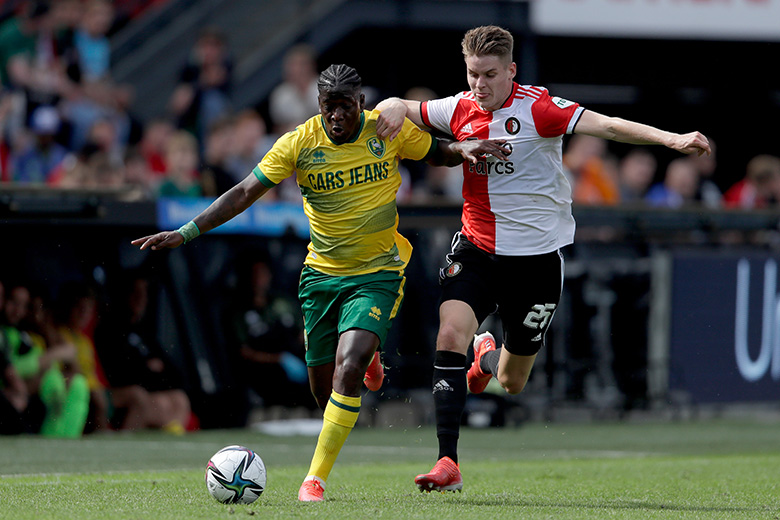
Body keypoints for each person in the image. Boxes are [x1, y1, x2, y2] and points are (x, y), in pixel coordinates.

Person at [132, 63, 508, 501]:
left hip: (378, 272)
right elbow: (243, 193)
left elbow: (435, 152)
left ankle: (315, 480)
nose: (337, 116)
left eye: (345, 106)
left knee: (346, 371)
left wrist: (465, 149)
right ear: (319, 106)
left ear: (360, 103)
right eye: (329, 107)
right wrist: (187, 231)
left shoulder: (385, 130)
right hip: (321, 278)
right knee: (322, 387)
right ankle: (369, 360)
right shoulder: (298, 143)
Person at [376, 25, 711, 493]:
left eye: (490, 75)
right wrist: (390, 106)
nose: (480, 85)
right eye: (473, 74)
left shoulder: (539, 108)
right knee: (450, 332)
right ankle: (447, 460)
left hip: (535, 263)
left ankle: (486, 361)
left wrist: (672, 139)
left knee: (513, 381)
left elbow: (608, 126)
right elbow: (407, 108)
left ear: (511, 70)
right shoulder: (458, 108)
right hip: (477, 248)